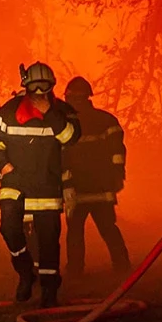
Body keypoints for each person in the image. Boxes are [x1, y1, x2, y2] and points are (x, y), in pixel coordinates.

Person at [0, 62, 81, 307]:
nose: (39, 92)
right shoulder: (9, 111)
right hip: (15, 182)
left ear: (52, 87)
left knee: (48, 240)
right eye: (34, 86)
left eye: (44, 86)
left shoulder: (63, 113)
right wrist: (0, 167)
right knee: (9, 228)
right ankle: (25, 273)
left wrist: (49, 112)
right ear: (25, 87)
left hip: (47, 185)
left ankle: (49, 290)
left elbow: (70, 139)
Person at [61, 76, 131, 276]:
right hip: (100, 188)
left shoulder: (65, 126)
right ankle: (122, 265)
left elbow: (61, 157)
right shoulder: (106, 120)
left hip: (76, 190)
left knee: (75, 232)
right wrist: (117, 176)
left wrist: (65, 184)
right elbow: (118, 151)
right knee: (108, 228)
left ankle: (75, 269)